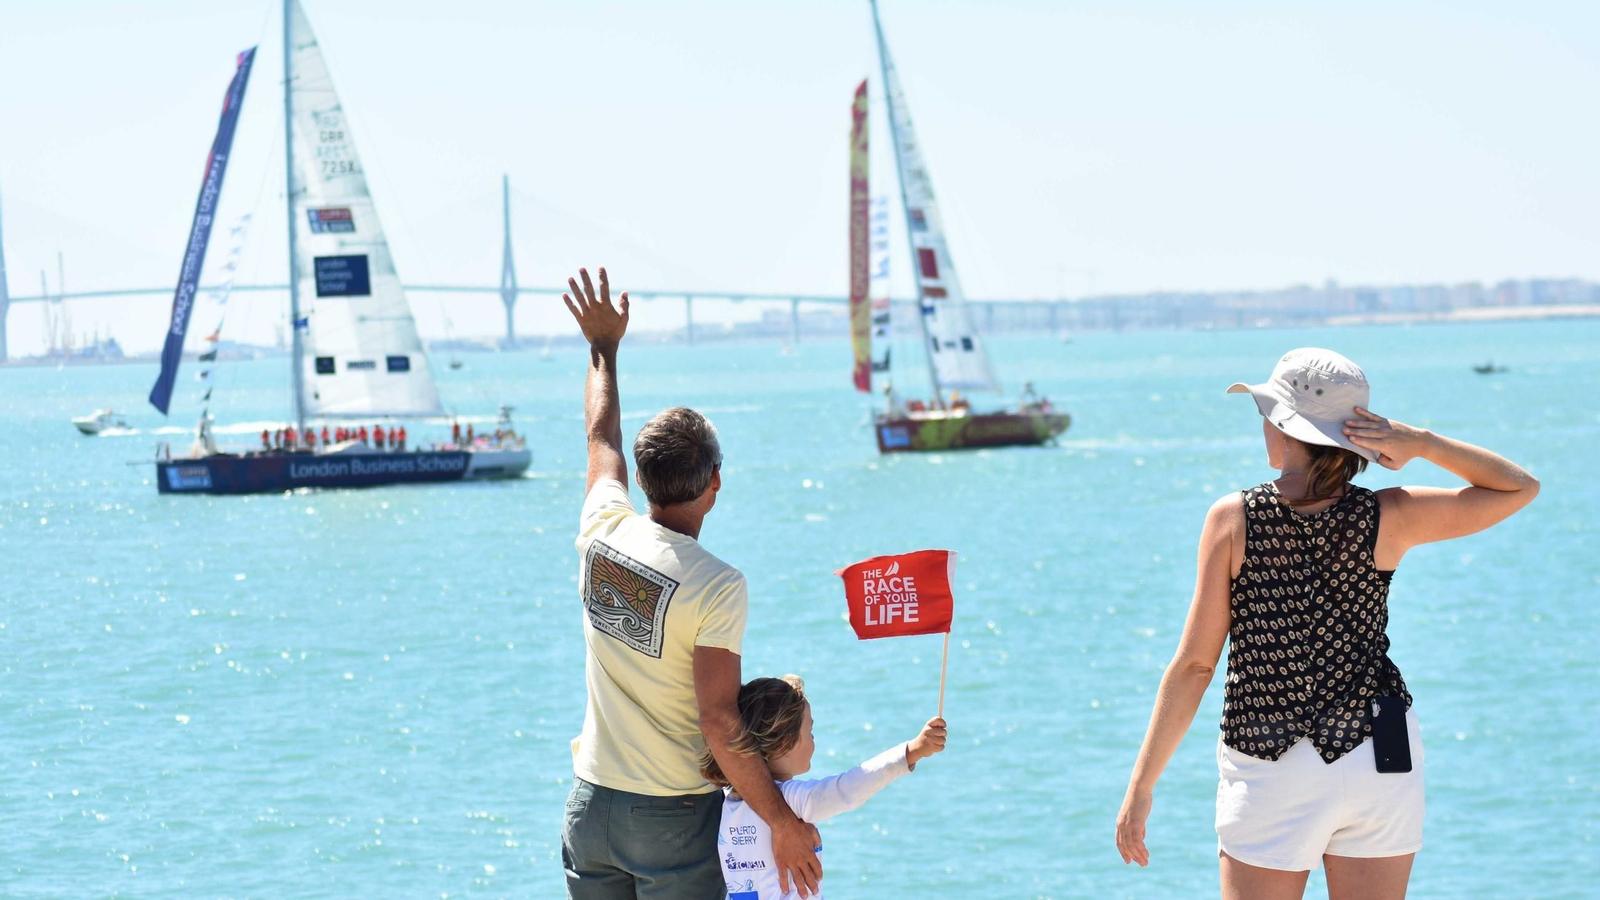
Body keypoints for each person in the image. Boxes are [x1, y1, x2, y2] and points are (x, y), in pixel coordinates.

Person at [1114, 348, 1539, 900]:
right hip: (1381, 757)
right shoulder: (1392, 513)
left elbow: (1196, 665)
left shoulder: (1234, 518)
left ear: (1288, 431)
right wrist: (1422, 444)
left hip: (1272, 759)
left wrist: (1141, 787)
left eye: (1266, 412)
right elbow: (1518, 487)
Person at [560, 267, 822, 899]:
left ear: (644, 481)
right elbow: (718, 719)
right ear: (715, 484)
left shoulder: (601, 528)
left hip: (588, 808)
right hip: (669, 820)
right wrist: (782, 821)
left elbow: (601, 438)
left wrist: (604, 348)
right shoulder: (716, 586)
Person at [700, 675, 947, 899]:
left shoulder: (727, 801)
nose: (814, 740)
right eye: (810, 731)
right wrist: (912, 751)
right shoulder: (788, 801)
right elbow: (848, 789)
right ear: (785, 743)